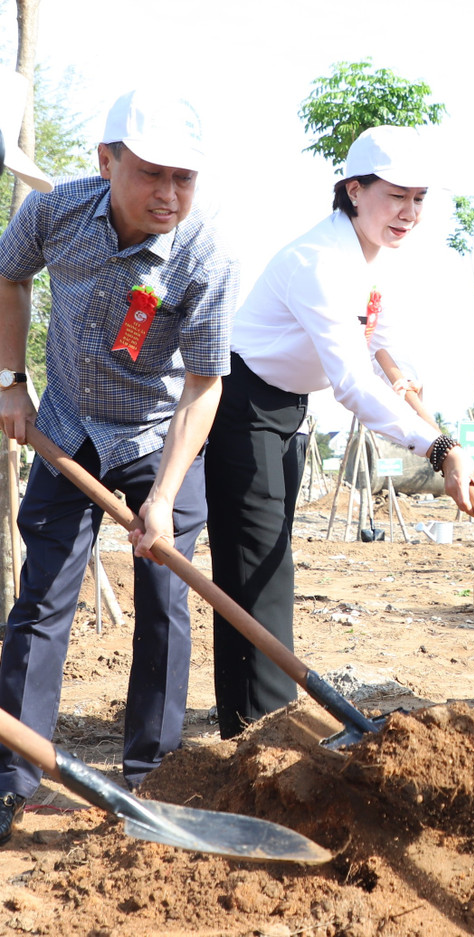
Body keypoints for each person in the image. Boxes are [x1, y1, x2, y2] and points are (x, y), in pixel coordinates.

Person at [0, 89, 239, 844]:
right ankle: (15, 778)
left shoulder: (207, 254)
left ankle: (151, 781)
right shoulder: (54, 213)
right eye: (152, 174)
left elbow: (204, 384)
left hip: (156, 438)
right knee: (42, 600)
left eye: (186, 179)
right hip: (67, 428)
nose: (170, 196)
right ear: (107, 161)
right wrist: (11, 380)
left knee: (165, 603)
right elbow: (9, 277)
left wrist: (165, 496)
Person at [205, 126, 474, 740]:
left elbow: (381, 340)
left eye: (419, 200)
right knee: (255, 566)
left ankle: (262, 717)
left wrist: (410, 385)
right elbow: (354, 386)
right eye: (395, 197)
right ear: (354, 191)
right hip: (242, 404)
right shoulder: (319, 263)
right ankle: (260, 728)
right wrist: (437, 448)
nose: (409, 213)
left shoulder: (370, 259)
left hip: (287, 407)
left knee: (274, 560)